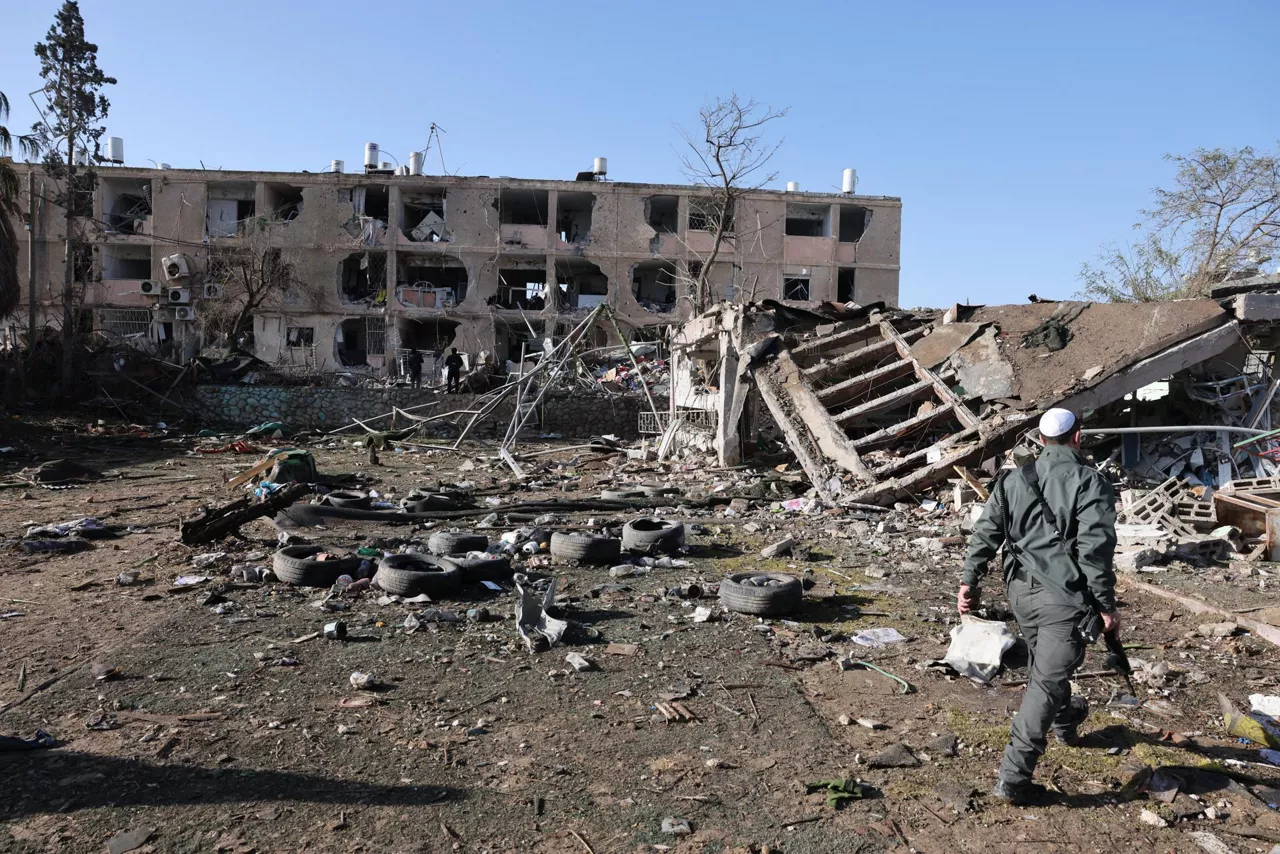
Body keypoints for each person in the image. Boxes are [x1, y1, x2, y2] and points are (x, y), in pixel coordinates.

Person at [958, 408, 1120, 806]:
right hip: (1063, 599)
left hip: (1021, 595)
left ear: (1042, 440)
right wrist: (1106, 604)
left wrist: (969, 581)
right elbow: (1095, 552)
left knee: (1044, 665)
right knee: (1045, 682)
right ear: (1077, 438)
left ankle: (1067, 718)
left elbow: (985, 532)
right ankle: (1014, 777)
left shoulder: (1013, 479)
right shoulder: (1089, 481)